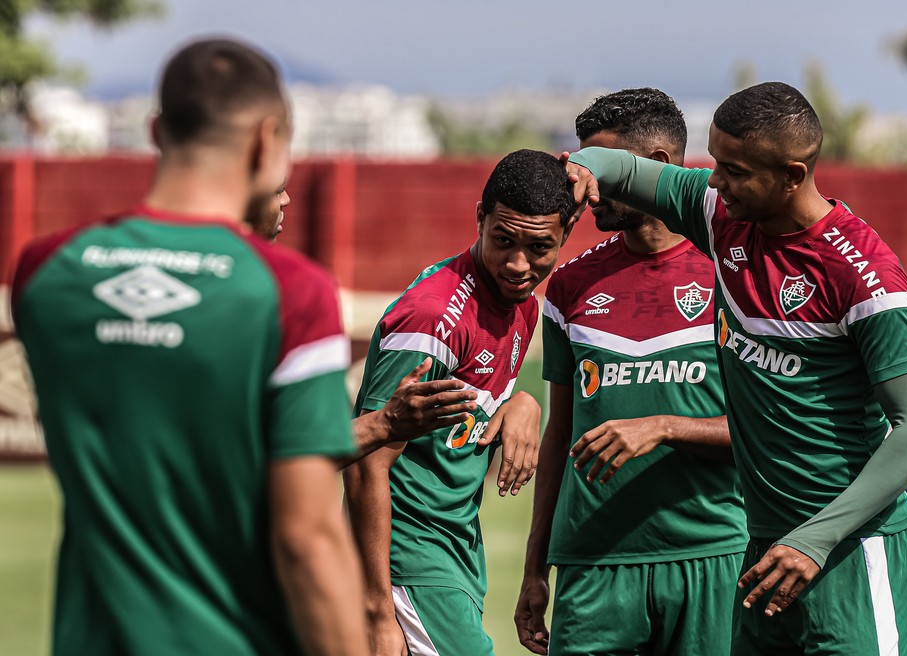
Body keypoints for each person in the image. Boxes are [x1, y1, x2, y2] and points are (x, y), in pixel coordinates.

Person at [10, 38, 472, 656]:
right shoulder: (288, 292)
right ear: (267, 139)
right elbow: (305, 534)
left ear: (154, 130)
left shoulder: (46, 272)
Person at [565, 81, 907, 655]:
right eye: (716, 162)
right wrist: (583, 168)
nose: (715, 181)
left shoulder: (865, 274)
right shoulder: (721, 215)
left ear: (793, 174)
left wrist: (814, 541)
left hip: (850, 550)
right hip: (766, 555)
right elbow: (617, 165)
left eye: (735, 170)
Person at [513, 88, 747, 656]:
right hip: (592, 566)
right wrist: (535, 566)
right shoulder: (569, 286)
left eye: (603, 169)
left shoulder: (735, 275)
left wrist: (665, 426)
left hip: (712, 557)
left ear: (657, 167)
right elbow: (560, 435)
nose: (585, 189)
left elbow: (766, 431)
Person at [344, 148, 576, 656]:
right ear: (479, 218)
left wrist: (522, 405)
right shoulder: (432, 319)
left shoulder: (520, 305)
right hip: (409, 562)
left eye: (538, 247)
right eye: (502, 240)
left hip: (457, 555)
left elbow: (464, 415)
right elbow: (366, 462)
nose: (518, 264)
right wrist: (378, 613)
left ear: (564, 237)